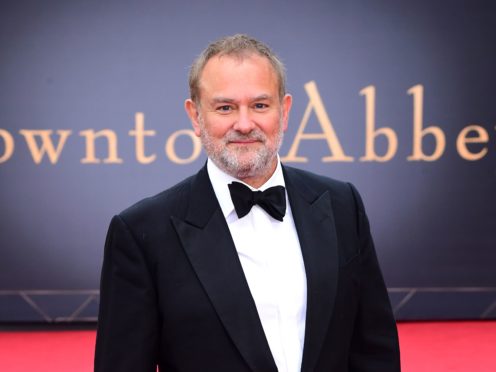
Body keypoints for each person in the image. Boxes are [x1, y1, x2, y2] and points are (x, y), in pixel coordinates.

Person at [95, 34, 400, 372]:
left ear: (283, 112)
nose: (244, 124)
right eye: (225, 107)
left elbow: (374, 349)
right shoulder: (141, 233)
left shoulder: (342, 205)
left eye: (259, 105)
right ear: (195, 116)